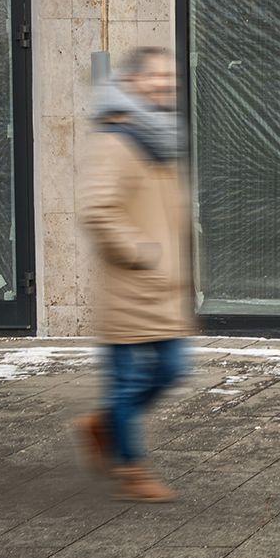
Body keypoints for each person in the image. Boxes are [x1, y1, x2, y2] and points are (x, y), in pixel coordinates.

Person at [74, 47, 195, 503]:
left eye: (170, 77)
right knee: (127, 382)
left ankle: (102, 424)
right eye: (155, 76)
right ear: (131, 81)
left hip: (162, 287)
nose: (165, 84)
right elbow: (96, 209)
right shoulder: (115, 138)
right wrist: (140, 252)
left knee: (173, 369)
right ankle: (132, 469)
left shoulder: (160, 136)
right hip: (129, 286)